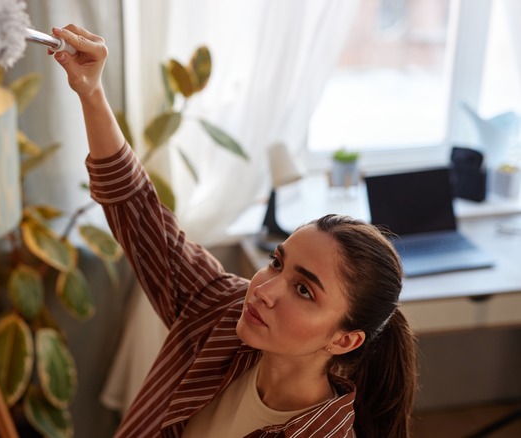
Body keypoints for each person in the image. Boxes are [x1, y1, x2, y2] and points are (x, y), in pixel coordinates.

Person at [50, 24, 418, 438]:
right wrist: (91, 91)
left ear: (344, 341)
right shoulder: (223, 313)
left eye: (303, 290)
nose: (264, 289)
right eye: (277, 263)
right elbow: (139, 213)